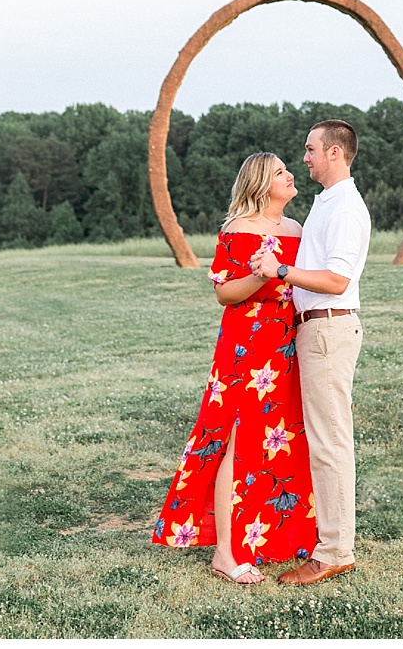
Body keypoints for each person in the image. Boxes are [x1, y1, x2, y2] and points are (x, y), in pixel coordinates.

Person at [151, 153, 317, 582]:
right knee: (236, 439)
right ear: (262, 183)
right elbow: (225, 295)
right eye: (281, 172)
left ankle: (279, 538)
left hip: (288, 344)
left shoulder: (297, 230)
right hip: (246, 347)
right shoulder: (237, 231)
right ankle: (224, 553)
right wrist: (263, 276)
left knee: (282, 439)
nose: (291, 174)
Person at [250, 119, 370, 586]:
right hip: (315, 332)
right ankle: (330, 543)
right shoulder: (327, 203)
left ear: (335, 153)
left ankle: (335, 552)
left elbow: (337, 282)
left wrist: (281, 270)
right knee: (323, 442)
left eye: (311, 149)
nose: (305, 158)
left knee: (331, 444)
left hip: (327, 331)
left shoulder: (345, 208)